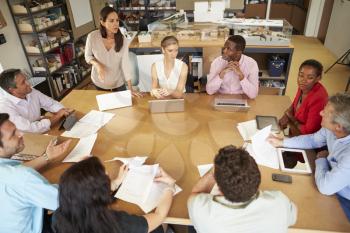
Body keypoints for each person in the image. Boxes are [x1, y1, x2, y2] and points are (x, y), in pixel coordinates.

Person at [188, 145, 297, 233]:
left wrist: (214, 171)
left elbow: (196, 193)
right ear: (257, 179)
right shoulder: (279, 202)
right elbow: (292, 218)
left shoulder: (201, 209)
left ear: (220, 189)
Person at [52, 156, 177, 233]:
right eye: (106, 177)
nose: (108, 177)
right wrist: (170, 187)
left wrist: (116, 182)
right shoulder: (115, 223)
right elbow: (159, 215)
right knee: (160, 225)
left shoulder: (58, 216)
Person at [269, 93, 350, 201]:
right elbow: (312, 140)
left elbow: (325, 188)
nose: (320, 113)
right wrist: (282, 142)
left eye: (325, 113)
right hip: (329, 178)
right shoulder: (332, 128)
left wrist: (321, 160)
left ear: (339, 127)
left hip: (343, 196)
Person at [0, 113, 71, 233]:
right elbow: (64, 200)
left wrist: (47, 157)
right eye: (13, 134)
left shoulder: (13, 174)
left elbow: (12, 174)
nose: (21, 133)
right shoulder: (21, 177)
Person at [85, 6, 142, 97]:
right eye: (111, 21)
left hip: (118, 84)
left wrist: (130, 89)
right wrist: (97, 65)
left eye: (117, 20)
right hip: (98, 84)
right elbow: (88, 56)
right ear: (102, 22)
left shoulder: (123, 40)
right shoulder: (92, 37)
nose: (116, 24)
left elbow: (125, 65)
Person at [0, 69, 73, 134]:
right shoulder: (5, 107)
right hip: (26, 139)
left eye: (26, 79)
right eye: (23, 82)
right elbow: (31, 129)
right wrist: (58, 116)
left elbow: (51, 104)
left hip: (40, 127)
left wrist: (63, 111)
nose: (28, 83)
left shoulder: (30, 91)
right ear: (12, 90)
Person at [279, 59, 328, 136]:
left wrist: (291, 120)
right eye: (301, 75)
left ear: (318, 78)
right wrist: (287, 113)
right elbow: (295, 103)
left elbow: (309, 131)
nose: (303, 80)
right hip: (296, 129)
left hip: (308, 139)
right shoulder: (304, 87)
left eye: (310, 77)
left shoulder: (319, 98)